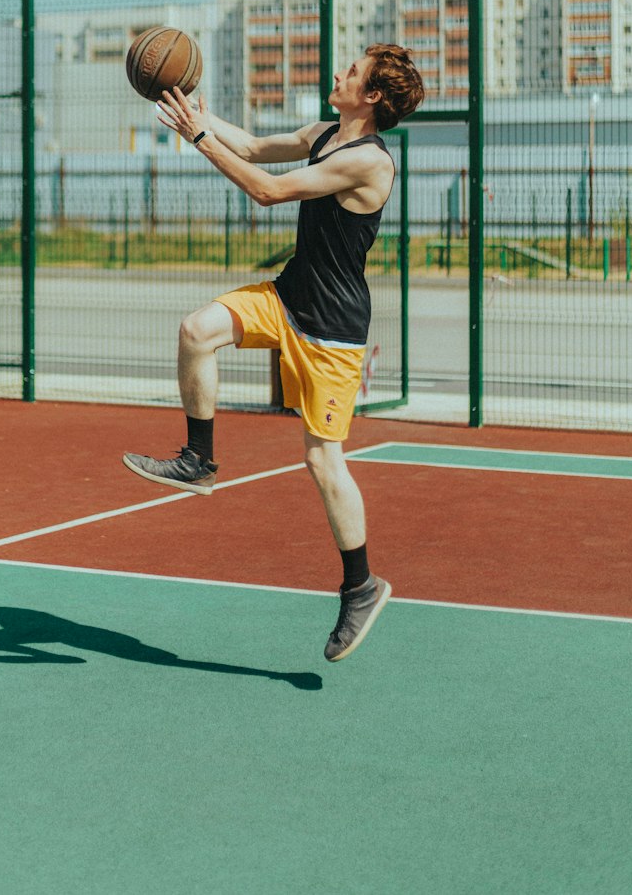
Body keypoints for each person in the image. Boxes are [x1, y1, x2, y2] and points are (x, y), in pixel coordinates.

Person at [122, 45, 425, 662]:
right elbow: (258, 147)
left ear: (370, 96)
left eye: (352, 71)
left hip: (331, 333)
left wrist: (200, 139)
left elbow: (266, 189)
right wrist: (191, 110)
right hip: (287, 298)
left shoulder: (368, 162)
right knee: (196, 330)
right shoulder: (325, 135)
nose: (339, 73)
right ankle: (199, 460)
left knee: (322, 460)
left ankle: (360, 586)